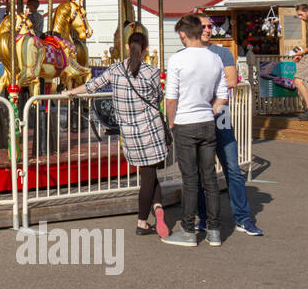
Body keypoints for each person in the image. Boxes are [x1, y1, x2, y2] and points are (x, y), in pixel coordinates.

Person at [65, 29, 169, 235]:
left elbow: (92, 86)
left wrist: (70, 91)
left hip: (129, 132)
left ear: (128, 47)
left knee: (147, 173)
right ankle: (144, 219)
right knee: (149, 173)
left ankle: (155, 210)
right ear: (146, 49)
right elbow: (158, 98)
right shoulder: (151, 72)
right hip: (150, 128)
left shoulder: (115, 70)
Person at [193, 12, 263, 237]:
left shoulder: (222, 52)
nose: (207, 30)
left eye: (209, 26)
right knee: (201, 171)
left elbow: (231, 80)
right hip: (197, 117)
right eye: (203, 26)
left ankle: (243, 218)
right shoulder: (185, 54)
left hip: (220, 115)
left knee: (232, 167)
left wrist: (206, 86)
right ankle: (203, 218)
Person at [163, 14, 229, 247]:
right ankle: (214, 231)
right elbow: (223, 94)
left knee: (190, 180)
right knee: (210, 178)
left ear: (183, 34)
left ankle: (188, 230)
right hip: (207, 122)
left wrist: (171, 123)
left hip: (185, 122)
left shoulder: (177, 60)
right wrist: (210, 111)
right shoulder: (215, 59)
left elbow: (171, 98)